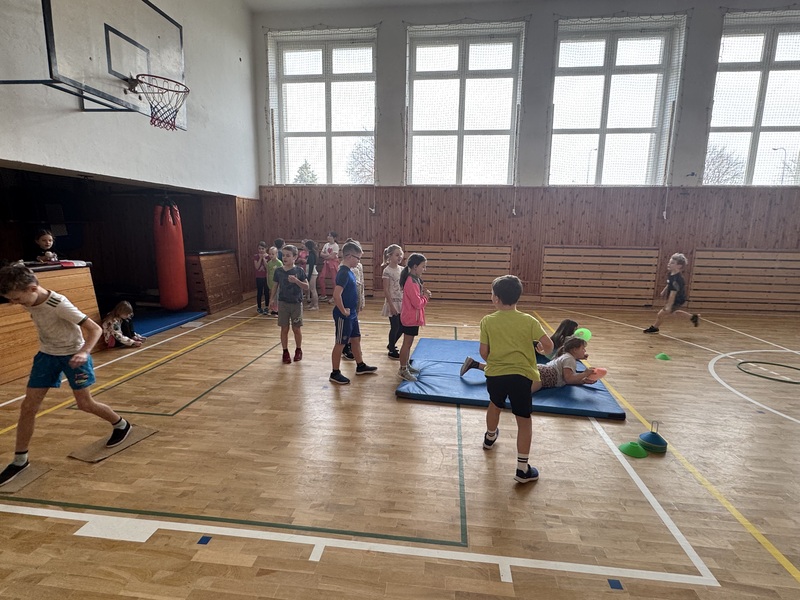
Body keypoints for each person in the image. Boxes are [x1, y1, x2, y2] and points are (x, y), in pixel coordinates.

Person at [0, 265, 132, 487]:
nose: (16, 303)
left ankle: (121, 425)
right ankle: (20, 460)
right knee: (28, 407)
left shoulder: (59, 304)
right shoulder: (29, 298)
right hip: (47, 356)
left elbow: (95, 329)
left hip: (74, 355)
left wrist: (84, 352)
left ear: (32, 288)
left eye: (18, 299)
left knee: (85, 404)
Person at [478, 275, 554, 484]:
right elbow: (549, 347)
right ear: (517, 297)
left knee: (494, 404)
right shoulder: (529, 321)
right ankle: (522, 469)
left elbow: (483, 352)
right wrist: (541, 350)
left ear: (496, 298)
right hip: (522, 377)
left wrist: (496, 361)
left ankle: (490, 437)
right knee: (524, 420)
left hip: (495, 375)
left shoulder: (488, 321)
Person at [329, 240, 377, 385]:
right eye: (358, 258)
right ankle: (335, 373)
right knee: (340, 343)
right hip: (344, 315)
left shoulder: (349, 271)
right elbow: (336, 295)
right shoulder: (343, 273)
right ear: (349, 256)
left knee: (356, 339)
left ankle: (360, 365)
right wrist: (343, 311)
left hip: (352, 313)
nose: (358, 261)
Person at [271, 245, 309, 363]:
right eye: (283, 255)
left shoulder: (299, 271)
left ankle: (298, 349)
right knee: (284, 328)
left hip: (296, 304)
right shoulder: (279, 271)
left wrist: (296, 281)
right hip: (283, 303)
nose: (285, 258)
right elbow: (275, 286)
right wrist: (272, 299)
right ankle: (285, 351)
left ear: (295, 257)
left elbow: (306, 287)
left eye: (288, 255)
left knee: (296, 328)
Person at [644, 253, 700, 333]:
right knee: (675, 312)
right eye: (669, 262)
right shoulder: (671, 274)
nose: (669, 264)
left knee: (661, 314)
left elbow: (673, 294)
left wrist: (669, 305)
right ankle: (693, 317)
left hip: (677, 299)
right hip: (676, 298)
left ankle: (655, 327)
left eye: (672, 263)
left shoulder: (677, 279)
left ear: (679, 266)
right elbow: (669, 283)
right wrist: (664, 290)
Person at [398, 253, 431, 382]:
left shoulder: (415, 280)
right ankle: (402, 369)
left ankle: (406, 365)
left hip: (413, 317)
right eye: (423, 266)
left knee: (409, 344)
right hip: (410, 318)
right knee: (406, 344)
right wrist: (426, 297)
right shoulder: (411, 282)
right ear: (415, 266)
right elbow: (417, 303)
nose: (424, 269)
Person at [342, 238, 365, 362]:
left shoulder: (359, 265)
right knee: (348, 327)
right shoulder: (345, 268)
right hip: (348, 301)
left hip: (356, 298)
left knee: (354, 327)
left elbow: (361, 284)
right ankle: (346, 347)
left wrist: (361, 300)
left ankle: (353, 347)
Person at [381, 244, 404, 360]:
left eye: (401, 255)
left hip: (401, 302)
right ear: (389, 256)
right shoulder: (387, 271)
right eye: (397, 255)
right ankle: (391, 350)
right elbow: (386, 289)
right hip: (392, 303)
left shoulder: (402, 269)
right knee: (395, 326)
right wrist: (391, 305)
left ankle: (391, 343)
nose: (399, 257)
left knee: (402, 326)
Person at [318, 231, 340, 301]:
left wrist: (326, 256)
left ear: (334, 238)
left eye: (330, 236)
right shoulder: (326, 245)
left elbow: (332, 257)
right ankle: (323, 294)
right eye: (328, 235)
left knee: (334, 280)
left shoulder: (336, 246)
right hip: (326, 263)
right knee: (321, 277)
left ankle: (335, 296)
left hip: (333, 263)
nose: (328, 237)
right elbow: (321, 254)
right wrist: (328, 256)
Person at [266, 246, 282, 316]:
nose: (271, 255)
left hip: (277, 283)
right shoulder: (269, 263)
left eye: (273, 254)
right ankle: (272, 308)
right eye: (270, 254)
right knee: (272, 296)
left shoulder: (279, 263)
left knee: (277, 296)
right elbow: (268, 272)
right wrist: (267, 281)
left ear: (276, 254)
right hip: (271, 282)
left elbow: (281, 274)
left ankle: (277, 310)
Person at [303, 239, 319, 310]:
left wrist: (309, 276)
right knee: (311, 289)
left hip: (312, 273)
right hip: (311, 273)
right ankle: (312, 303)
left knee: (313, 289)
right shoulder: (310, 254)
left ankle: (316, 305)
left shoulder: (312, 255)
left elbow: (311, 266)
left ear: (307, 246)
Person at [253, 241, 269, 314]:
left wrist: (264, 259)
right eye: (259, 248)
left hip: (266, 277)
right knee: (259, 292)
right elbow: (257, 267)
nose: (261, 250)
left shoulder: (268, 256)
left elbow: (267, 267)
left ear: (266, 249)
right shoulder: (256, 256)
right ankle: (259, 307)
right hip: (259, 277)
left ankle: (266, 307)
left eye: (262, 248)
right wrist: (260, 258)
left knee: (266, 292)